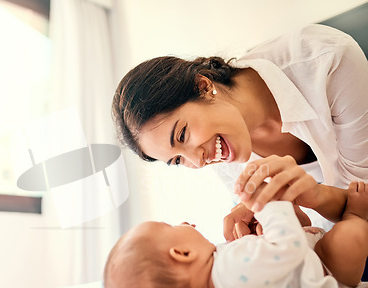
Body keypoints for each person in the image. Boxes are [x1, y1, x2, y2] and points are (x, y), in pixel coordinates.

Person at [111, 24, 368, 241]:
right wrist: (282, 226)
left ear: (203, 86)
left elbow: (362, 202)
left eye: (182, 136)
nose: (198, 160)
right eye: (178, 160)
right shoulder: (220, 148)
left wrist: (317, 197)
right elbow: (317, 232)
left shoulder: (327, 61)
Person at [103, 181, 368, 288]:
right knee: (350, 237)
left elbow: (261, 271)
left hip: (304, 253)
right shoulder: (228, 271)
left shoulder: (215, 287)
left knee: (292, 224)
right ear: (182, 254)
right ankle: (357, 216)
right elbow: (288, 253)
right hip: (325, 266)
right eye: (170, 227)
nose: (182, 223)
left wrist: (253, 241)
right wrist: (268, 205)